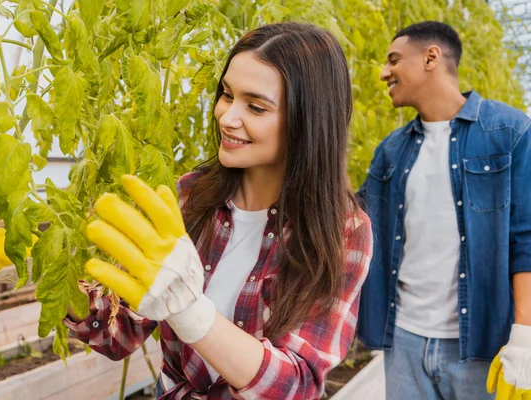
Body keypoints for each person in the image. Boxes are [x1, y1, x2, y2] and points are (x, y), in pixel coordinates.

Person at [64, 22, 373, 399]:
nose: (226, 116)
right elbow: (114, 334)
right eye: (227, 95)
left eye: (255, 106)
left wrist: (190, 311)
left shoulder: (343, 229)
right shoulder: (190, 196)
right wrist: (48, 265)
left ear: (308, 120)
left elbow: (297, 385)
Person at [357, 21, 531, 400]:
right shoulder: (391, 150)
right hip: (403, 340)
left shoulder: (510, 132)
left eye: (394, 60)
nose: (385, 72)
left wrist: (525, 334)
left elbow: (525, 238)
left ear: (431, 57)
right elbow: (355, 220)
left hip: (482, 344)